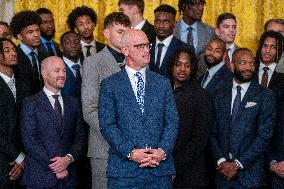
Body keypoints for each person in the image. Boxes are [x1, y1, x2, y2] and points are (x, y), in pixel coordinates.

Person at [98, 29, 178, 188]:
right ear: (125, 50)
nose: (146, 50)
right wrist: (131, 152)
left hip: (159, 170)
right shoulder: (110, 85)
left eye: (147, 45)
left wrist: (162, 152)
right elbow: (107, 125)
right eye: (139, 46)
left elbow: (172, 122)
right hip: (124, 172)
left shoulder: (163, 83)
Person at [210, 48, 276, 188]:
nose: (248, 67)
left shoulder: (265, 95)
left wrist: (237, 164)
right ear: (232, 65)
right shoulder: (219, 93)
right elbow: (211, 132)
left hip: (250, 178)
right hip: (222, 176)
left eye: (252, 63)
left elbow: (264, 136)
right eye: (243, 63)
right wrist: (221, 161)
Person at [20, 56, 86, 189]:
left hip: (69, 179)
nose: (62, 75)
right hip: (39, 179)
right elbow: (29, 140)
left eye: (64, 71)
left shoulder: (73, 103)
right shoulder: (30, 103)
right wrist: (58, 167)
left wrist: (68, 159)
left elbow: (80, 137)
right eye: (57, 71)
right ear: (44, 73)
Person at [81, 12, 130, 189]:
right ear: (106, 33)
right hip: (104, 148)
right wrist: (117, 136)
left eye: (127, 32)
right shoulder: (93, 62)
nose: (125, 37)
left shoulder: (138, 62)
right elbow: (89, 109)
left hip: (136, 149)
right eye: (119, 32)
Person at [169, 46, 214, 188]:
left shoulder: (201, 96)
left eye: (187, 65)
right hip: (162, 166)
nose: (182, 69)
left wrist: (175, 165)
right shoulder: (163, 91)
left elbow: (200, 138)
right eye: (178, 64)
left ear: (192, 68)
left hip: (191, 172)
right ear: (171, 66)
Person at [0, 38, 29, 189]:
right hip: (4, 160)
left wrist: (24, 157)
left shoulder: (24, 84)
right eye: (7, 50)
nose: (13, 53)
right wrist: (18, 157)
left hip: (26, 159)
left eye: (13, 49)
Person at [149, 4, 194, 78]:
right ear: (154, 23)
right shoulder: (145, 47)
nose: (161, 26)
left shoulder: (185, 49)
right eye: (158, 21)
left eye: (166, 22)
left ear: (174, 23)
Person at [10, 11, 48, 95]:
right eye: (30, 32)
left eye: (37, 30)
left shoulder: (44, 54)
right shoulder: (14, 56)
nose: (36, 35)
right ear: (19, 36)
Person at [255, 31, 284, 101]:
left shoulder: (282, 72)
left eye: (273, 47)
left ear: (279, 50)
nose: (268, 50)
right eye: (265, 46)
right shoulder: (249, 68)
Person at [60, 31, 83, 99]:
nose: (73, 46)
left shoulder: (89, 65)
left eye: (76, 42)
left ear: (81, 46)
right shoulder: (55, 68)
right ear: (61, 48)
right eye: (68, 42)